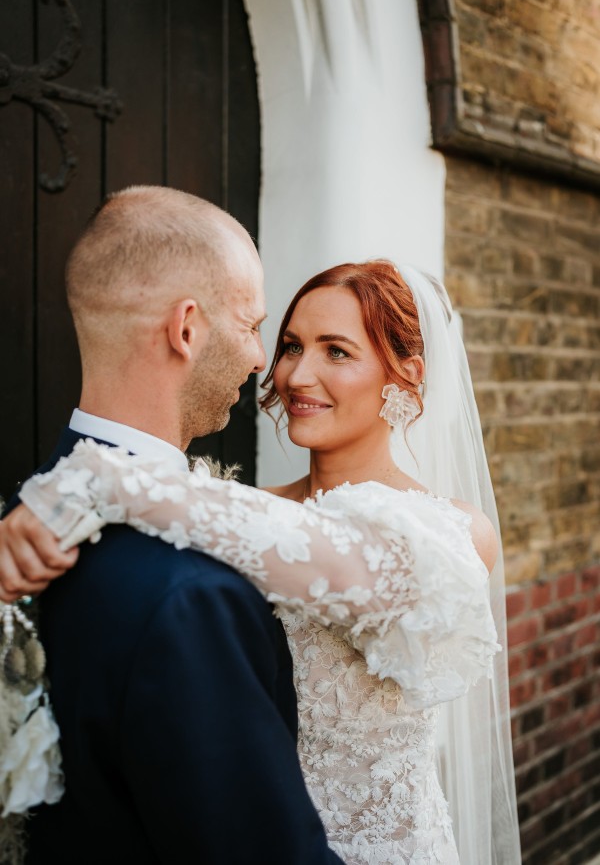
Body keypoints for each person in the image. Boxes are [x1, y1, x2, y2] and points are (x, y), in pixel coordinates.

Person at [0, 253, 521, 862]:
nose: (297, 375)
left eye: (337, 351)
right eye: (292, 346)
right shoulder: (238, 508)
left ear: (404, 377)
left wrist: (102, 479)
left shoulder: (450, 531)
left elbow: (346, 564)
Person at [0, 186, 347, 864]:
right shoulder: (192, 594)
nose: (258, 360)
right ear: (187, 328)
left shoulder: (15, 517)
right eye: (252, 326)